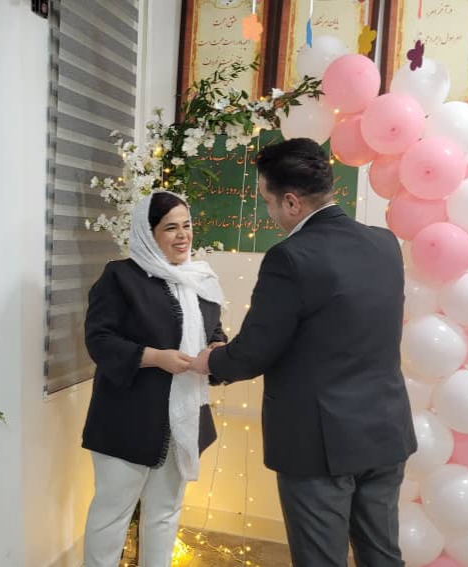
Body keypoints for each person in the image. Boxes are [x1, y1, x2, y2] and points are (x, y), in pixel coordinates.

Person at [191, 138, 417, 567]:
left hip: (318, 443)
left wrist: (212, 361)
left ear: (292, 202)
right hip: (385, 429)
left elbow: (256, 350)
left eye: (268, 201)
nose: (269, 213)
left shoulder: (290, 257)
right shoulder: (384, 243)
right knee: (383, 556)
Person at [81, 191, 226, 567]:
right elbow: (99, 340)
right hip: (127, 420)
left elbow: (214, 331)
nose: (183, 235)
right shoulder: (121, 277)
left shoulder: (200, 278)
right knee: (111, 517)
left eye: (187, 225)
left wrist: (216, 349)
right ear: (148, 233)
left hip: (182, 421)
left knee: (164, 515)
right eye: (171, 227)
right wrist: (155, 358)